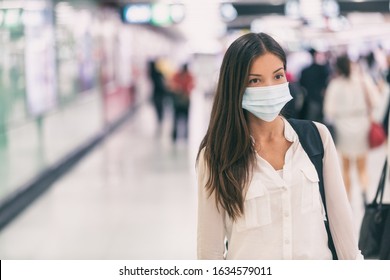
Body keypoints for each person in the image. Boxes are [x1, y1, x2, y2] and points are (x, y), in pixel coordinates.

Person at [196, 32, 362, 260]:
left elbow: (342, 228)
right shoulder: (215, 156)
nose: (269, 87)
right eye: (255, 80)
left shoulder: (317, 138)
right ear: (235, 87)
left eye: (277, 76)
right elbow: (210, 251)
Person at [324, 55, 379, 205]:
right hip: (362, 123)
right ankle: (364, 192)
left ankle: (347, 198)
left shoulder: (335, 85)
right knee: (362, 164)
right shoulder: (363, 80)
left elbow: (329, 110)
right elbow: (375, 100)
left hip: (343, 126)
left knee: (346, 165)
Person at [299, 48, 330, 123]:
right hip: (321, 98)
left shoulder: (305, 71)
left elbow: (302, 84)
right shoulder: (323, 69)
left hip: (309, 98)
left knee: (311, 121)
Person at [169, 63, 194, 142]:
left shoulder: (189, 75)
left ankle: (185, 136)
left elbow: (192, 85)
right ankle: (175, 136)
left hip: (185, 100)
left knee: (185, 119)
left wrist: (185, 91)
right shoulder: (177, 75)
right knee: (176, 119)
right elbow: (172, 85)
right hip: (178, 100)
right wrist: (178, 89)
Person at [148, 60, 167, 134]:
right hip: (160, 94)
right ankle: (160, 120)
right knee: (160, 108)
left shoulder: (152, 74)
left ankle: (159, 120)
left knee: (158, 108)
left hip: (156, 94)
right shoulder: (158, 73)